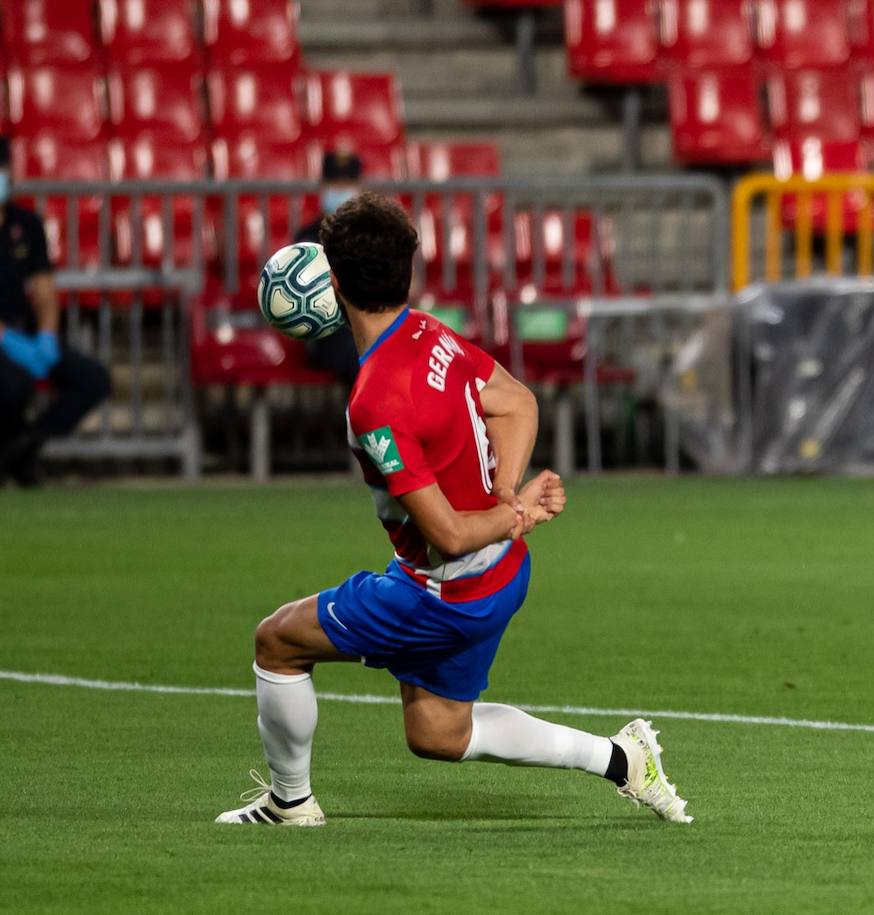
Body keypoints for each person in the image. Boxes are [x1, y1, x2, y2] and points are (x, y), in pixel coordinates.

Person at [216, 193, 691, 826]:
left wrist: (514, 510)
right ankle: (622, 759)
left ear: (330, 283)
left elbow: (449, 533)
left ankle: (288, 802)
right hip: (502, 574)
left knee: (276, 642)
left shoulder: (374, 399)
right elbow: (518, 402)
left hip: (442, 590)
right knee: (437, 734)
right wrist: (507, 491)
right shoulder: (428, 333)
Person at [0, 136, 110, 487]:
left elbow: (44, 289)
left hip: (28, 332)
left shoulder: (26, 224)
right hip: (3, 340)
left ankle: (25, 446)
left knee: (93, 379)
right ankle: (14, 454)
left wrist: (46, 335)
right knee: (13, 385)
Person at [293, 150, 365, 387]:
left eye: (347, 184)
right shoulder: (308, 238)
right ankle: (370, 424)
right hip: (330, 334)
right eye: (335, 183)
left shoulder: (373, 233)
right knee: (360, 358)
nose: (341, 190)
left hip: (371, 327)